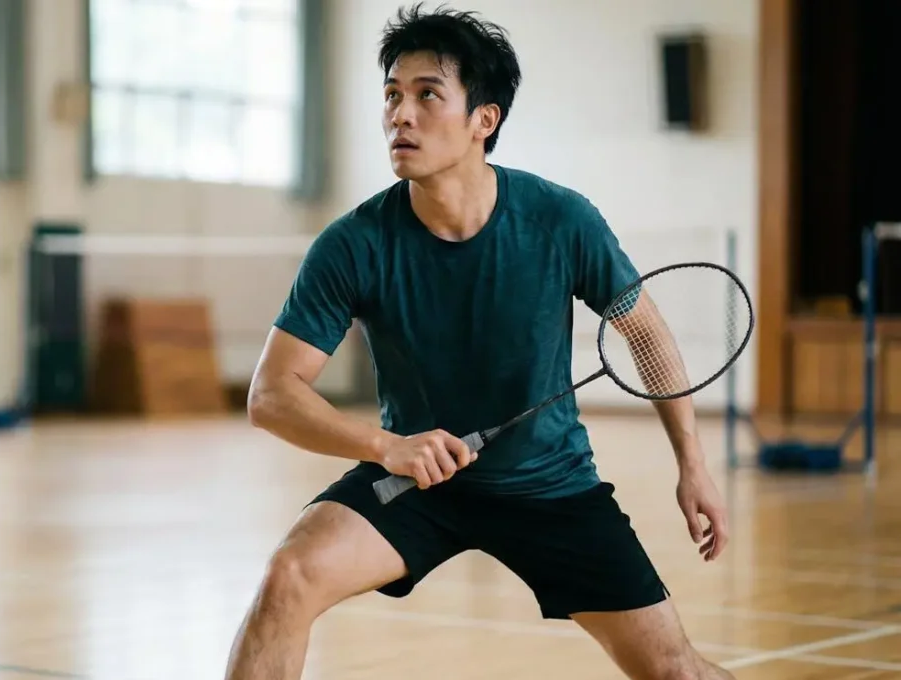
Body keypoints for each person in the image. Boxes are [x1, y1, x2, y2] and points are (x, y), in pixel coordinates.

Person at [224, 5, 734, 679]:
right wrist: (387, 447)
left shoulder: (560, 220)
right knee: (288, 577)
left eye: (427, 95)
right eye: (392, 96)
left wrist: (692, 465)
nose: (400, 115)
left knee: (674, 673)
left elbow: (646, 334)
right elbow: (271, 394)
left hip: (551, 487)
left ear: (482, 121)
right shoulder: (354, 244)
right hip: (415, 481)